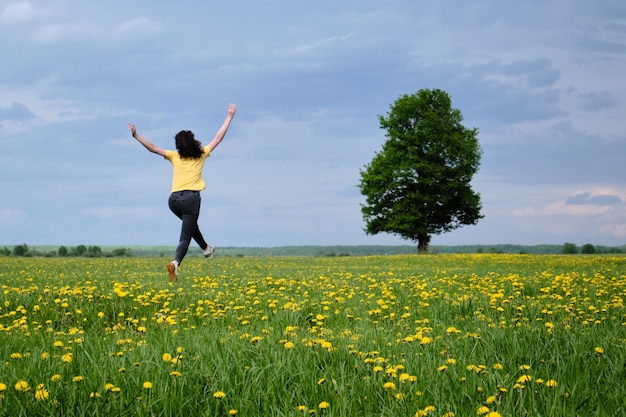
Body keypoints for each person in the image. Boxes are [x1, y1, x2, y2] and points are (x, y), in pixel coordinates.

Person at [128, 103, 237, 281]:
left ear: (179, 145)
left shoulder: (174, 155)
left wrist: (136, 135)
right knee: (185, 237)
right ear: (193, 142)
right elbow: (218, 137)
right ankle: (175, 263)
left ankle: (206, 249)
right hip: (191, 199)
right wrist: (229, 117)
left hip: (173, 201)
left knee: (190, 226)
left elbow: (153, 147)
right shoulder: (201, 153)